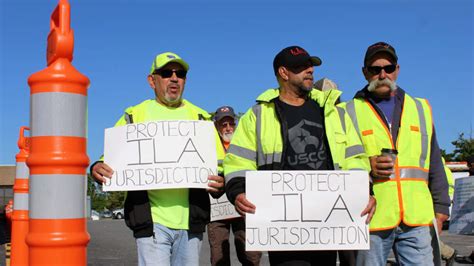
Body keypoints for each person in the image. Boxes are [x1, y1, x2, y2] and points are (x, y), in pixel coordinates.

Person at [223, 45, 376, 266]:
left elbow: (355, 158)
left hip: (329, 223)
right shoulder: (257, 116)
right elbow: (239, 159)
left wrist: (364, 192)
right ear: (283, 73)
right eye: (301, 67)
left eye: (310, 65)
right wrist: (238, 191)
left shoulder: (333, 112)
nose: (310, 70)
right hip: (282, 229)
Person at [90, 52, 225, 266]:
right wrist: (96, 168)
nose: (174, 78)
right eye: (166, 73)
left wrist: (221, 182)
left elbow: (220, 168)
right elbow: (107, 162)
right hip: (150, 221)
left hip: (191, 222)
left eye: (180, 74)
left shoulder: (201, 118)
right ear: (152, 80)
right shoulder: (134, 115)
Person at [341, 42, 450, 266]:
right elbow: (340, 160)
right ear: (364, 72)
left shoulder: (420, 108)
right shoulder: (347, 112)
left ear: (397, 70)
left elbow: (434, 161)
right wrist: (367, 166)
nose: (383, 74)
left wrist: (441, 208)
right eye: (375, 69)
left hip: (417, 217)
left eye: (388, 68)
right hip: (370, 218)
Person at [207, 106, 261, 266]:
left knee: (250, 256)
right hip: (217, 212)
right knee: (218, 258)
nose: (228, 127)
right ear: (216, 126)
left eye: (231, 123)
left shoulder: (246, 142)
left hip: (243, 209)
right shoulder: (207, 145)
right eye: (223, 124)